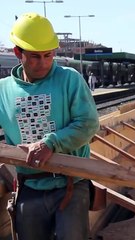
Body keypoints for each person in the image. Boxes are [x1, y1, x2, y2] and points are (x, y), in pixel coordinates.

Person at [0, 13, 100, 239]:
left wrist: (51, 143)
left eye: (48, 55)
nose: (43, 63)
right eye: (35, 56)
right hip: (30, 186)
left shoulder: (69, 79)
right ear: (18, 53)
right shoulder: (3, 90)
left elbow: (89, 124)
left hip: (70, 184)